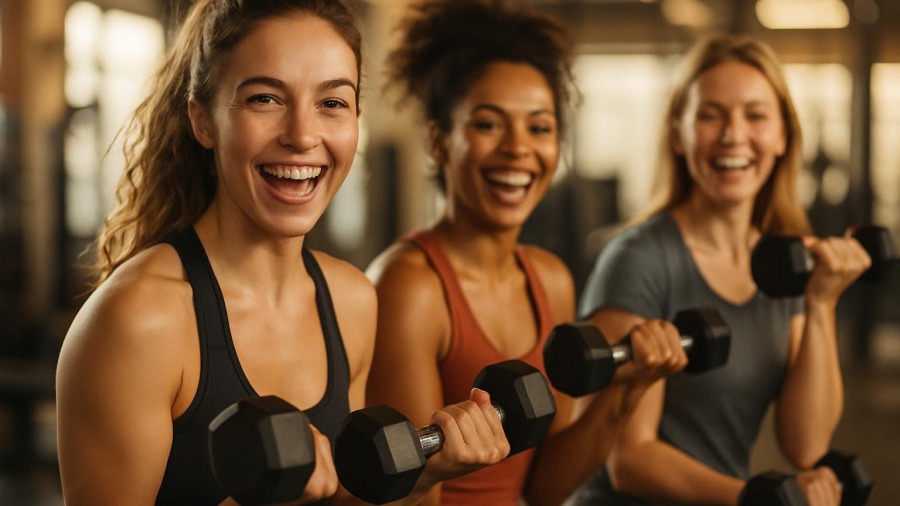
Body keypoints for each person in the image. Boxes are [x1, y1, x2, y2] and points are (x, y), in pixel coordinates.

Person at [55, 1, 508, 504]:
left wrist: (423, 475)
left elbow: (337, 496)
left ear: (357, 118)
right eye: (265, 99)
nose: (301, 135)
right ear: (202, 121)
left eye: (332, 103)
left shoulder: (351, 299)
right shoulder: (140, 318)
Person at [365, 1, 688, 505]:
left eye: (539, 127)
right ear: (438, 141)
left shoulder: (550, 278)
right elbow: (401, 494)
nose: (519, 148)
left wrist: (627, 390)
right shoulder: (411, 285)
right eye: (489, 124)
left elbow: (543, 488)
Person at [566, 34, 872, 506]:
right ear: (678, 135)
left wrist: (821, 302)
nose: (733, 134)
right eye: (710, 115)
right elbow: (629, 461)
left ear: (782, 136)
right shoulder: (640, 258)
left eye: (755, 115)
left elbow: (806, 445)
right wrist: (761, 498)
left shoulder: (784, 266)